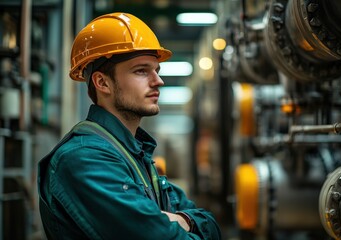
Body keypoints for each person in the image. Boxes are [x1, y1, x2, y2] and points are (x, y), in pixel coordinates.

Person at [37, 12, 222, 240]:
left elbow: (210, 222)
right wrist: (178, 221)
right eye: (141, 71)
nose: (158, 81)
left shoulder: (135, 153)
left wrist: (185, 219)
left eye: (157, 70)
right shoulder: (84, 158)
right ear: (102, 82)